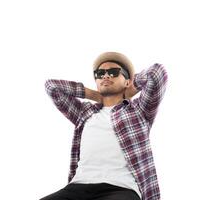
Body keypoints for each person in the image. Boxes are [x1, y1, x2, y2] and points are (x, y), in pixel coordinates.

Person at [40, 52, 168, 200]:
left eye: (113, 72)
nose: (106, 76)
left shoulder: (139, 110)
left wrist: (131, 89)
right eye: (100, 74)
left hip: (121, 189)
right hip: (78, 187)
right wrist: (94, 95)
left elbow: (157, 73)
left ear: (127, 81)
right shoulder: (84, 113)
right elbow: (52, 87)